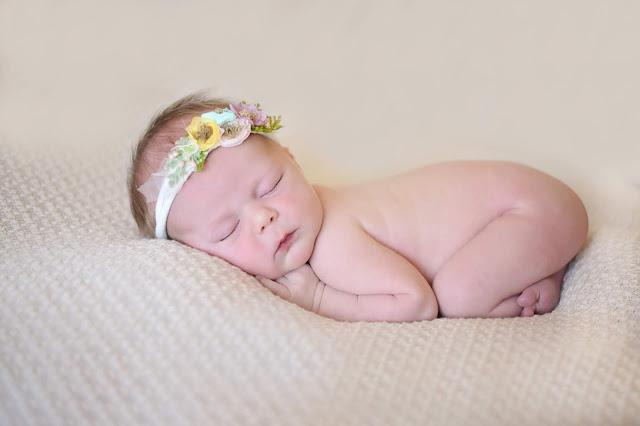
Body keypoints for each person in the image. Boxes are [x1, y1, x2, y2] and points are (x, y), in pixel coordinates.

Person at [128, 92, 588, 322]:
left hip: (528, 210)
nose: (263, 218)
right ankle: (539, 264)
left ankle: (543, 267)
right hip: (528, 207)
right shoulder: (323, 214)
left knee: (458, 296)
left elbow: (417, 303)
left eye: (270, 187)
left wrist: (318, 298)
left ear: (294, 162)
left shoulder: (334, 240)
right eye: (227, 231)